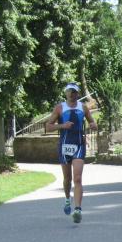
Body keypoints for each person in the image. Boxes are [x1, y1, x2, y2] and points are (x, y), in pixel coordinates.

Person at [45, 83, 97, 223]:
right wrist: (63, 125)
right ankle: (68, 199)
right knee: (67, 179)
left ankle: (78, 210)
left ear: (78, 94)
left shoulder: (83, 107)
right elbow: (48, 127)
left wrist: (93, 125)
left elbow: (93, 123)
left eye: (74, 92)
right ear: (66, 93)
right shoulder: (60, 108)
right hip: (64, 146)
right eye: (69, 91)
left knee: (77, 179)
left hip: (79, 145)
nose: (72, 94)